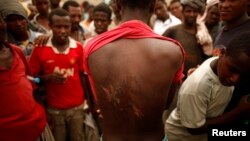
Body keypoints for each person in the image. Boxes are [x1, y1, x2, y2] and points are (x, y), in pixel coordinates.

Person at [83, 0, 185, 140]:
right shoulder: (173, 51)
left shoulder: (93, 49)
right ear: (153, 7)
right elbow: (166, 104)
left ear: (118, 7)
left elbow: (100, 100)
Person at [165, 31, 250, 141]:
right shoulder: (197, 87)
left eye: (243, 75)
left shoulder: (218, 64)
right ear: (222, 53)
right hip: (182, 137)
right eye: (232, 69)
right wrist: (238, 112)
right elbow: (194, 129)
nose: (235, 79)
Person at [29, 8, 88, 141]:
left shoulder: (78, 47)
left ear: (71, 27)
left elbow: (83, 76)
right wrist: (46, 78)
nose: (62, 31)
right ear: (50, 26)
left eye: (66, 27)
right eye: (58, 26)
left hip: (77, 108)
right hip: (54, 110)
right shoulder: (40, 49)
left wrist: (89, 102)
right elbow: (31, 79)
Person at [0, 14, 54, 141]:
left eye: (0, 21)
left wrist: (45, 113)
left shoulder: (16, 51)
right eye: (12, 20)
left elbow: (32, 83)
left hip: (38, 126)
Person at [213, 0, 250, 131]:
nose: (224, 5)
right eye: (221, 0)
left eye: (232, 0)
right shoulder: (222, 30)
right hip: (217, 115)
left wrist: (239, 112)